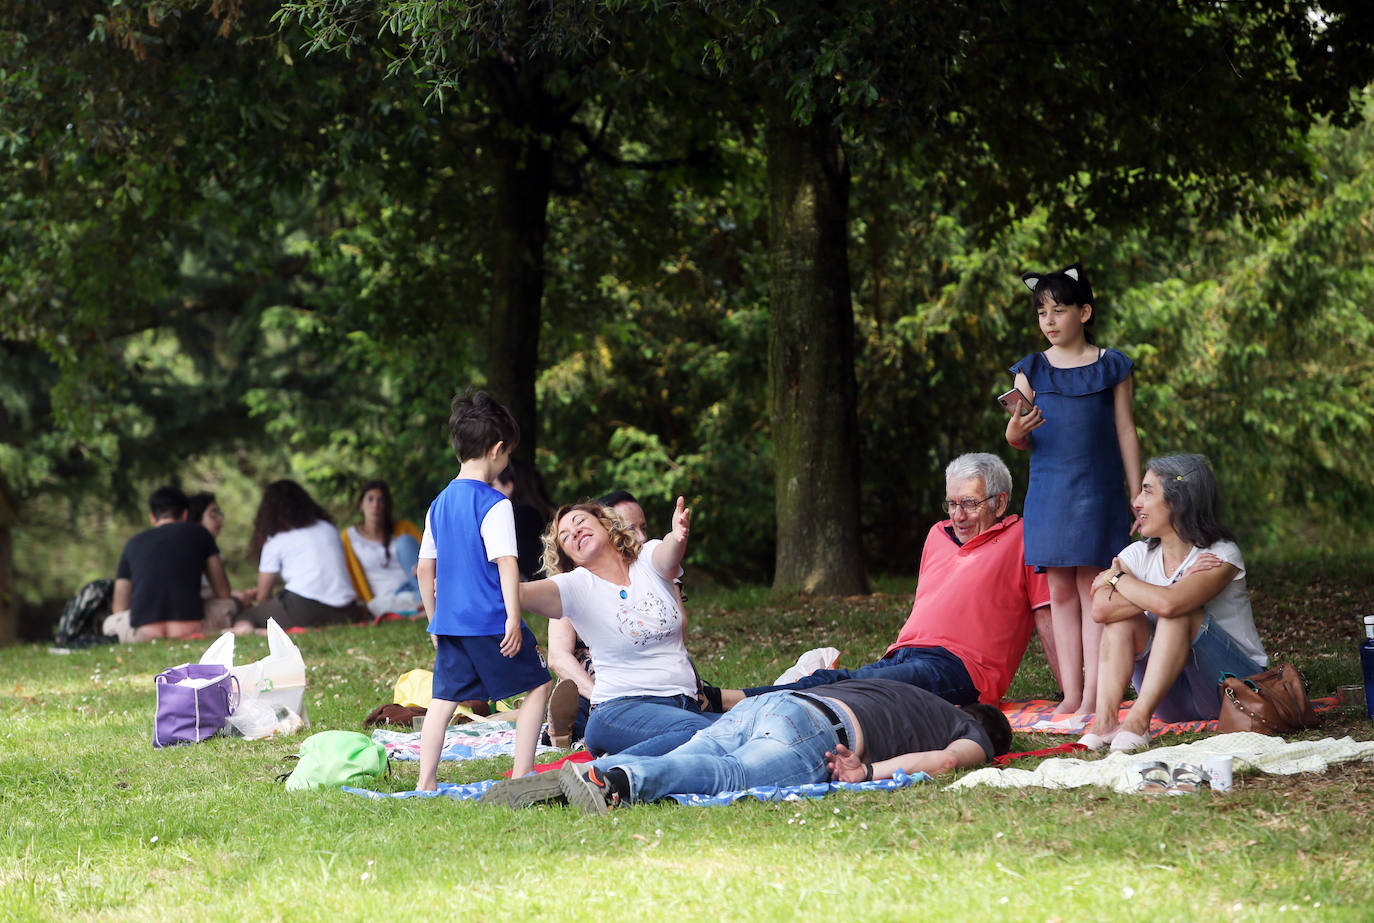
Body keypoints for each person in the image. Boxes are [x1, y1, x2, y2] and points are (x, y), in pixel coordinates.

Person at [719, 453, 1054, 709]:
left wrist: (1072, 695)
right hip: (902, 654)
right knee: (856, 688)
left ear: (1000, 502)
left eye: (969, 503)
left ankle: (728, 701)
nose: (958, 515)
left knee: (847, 684)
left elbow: (1048, 615)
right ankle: (742, 705)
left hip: (960, 669)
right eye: (951, 504)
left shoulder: (1024, 537)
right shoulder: (937, 534)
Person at [482, 679, 1011, 811]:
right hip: (817, 732)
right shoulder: (970, 733)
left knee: (693, 753)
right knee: (729, 775)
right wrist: (867, 773)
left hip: (773, 704)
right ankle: (618, 780)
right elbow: (946, 761)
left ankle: (563, 780)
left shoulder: (912, 693)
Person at [1005, 263, 1141, 718]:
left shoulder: (1112, 365)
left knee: (1092, 588)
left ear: (1084, 312)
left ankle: (1097, 695)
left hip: (1097, 490)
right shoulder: (1030, 370)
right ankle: (1071, 693)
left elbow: (1126, 430)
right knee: (1059, 591)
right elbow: (1019, 439)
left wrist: (1138, 493)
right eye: (1041, 312)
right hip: (1049, 492)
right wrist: (1014, 431)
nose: (1048, 320)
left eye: (1058, 310)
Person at [1077, 454, 1268, 753]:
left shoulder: (1220, 554)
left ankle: (1137, 721)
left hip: (1236, 692)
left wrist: (1115, 578)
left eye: (1147, 492)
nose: (1136, 502)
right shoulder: (1138, 554)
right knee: (1123, 620)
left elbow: (1171, 606)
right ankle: (1104, 723)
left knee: (1180, 613)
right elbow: (1102, 609)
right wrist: (1170, 588)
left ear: (1179, 501)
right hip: (1174, 703)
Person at [414, 390, 552, 788]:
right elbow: (507, 563)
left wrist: (434, 619)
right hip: (490, 620)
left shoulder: (438, 504)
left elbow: (424, 569)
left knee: (442, 700)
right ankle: (523, 774)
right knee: (539, 684)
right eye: (508, 454)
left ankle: (426, 781)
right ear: (496, 449)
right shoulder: (494, 503)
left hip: (451, 623)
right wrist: (513, 617)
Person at [518, 496, 717, 757]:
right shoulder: (577, 586)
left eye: (580, 521)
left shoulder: (647, 559)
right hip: (619, 711)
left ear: (605, 523)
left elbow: (668, 554)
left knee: (744, 728)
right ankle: (602, 773)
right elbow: (521, 594)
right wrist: (497, 568)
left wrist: (677, 537)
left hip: (682, 704)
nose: (574, 532)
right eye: (565, 537)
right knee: (714, 735)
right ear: (569, 557)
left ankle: (614, 767)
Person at [543, 489, 653, 747]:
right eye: (632, 527)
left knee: (699, 698)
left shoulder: (649, 569)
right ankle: (564, 728)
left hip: (648, 675)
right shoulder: (572, 584)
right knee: (596, 708)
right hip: (597, 684)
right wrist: (601, 697)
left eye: (643, 528)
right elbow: (558, 657)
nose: (641, 537)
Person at [104, 486, 237, 642]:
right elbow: (223, 593)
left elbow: (119, 608)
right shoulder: (201, 534)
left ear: (152, 518)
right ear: (185, 514)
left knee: (110, 622)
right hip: (192, 627)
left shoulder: (132, 544)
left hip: (143, 633)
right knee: (230, 603)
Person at [233, 480, 366, 632]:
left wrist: (255, 597)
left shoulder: (276, 539)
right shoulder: (328, 528)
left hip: (305, 609)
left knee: (248, 616)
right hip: (347, 610)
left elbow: (263, 595)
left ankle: (255, 632)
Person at [340, 480, 423, 618]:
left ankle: (426, 600)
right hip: (386, 597)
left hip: (414, 586)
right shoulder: (349, 537)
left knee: (405, 541)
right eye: (370, 499)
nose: (376, 505)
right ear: (361, 505)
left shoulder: (404, 528)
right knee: (378, 606)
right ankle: (425, 605)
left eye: (381, 500)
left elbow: (432, 553)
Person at [492, 458, 557, 581]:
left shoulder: (518, 516)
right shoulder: (547, 510)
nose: (492, 490)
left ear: (509, 486)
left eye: (495, 485)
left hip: (533, 586)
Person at [188, 491, 256, 607]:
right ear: (197, 518)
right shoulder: (190, 546)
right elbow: (222, 593)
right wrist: (235, 595)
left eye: (220, 513)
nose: (220, 518)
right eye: (213, 514)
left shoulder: (210, 546)